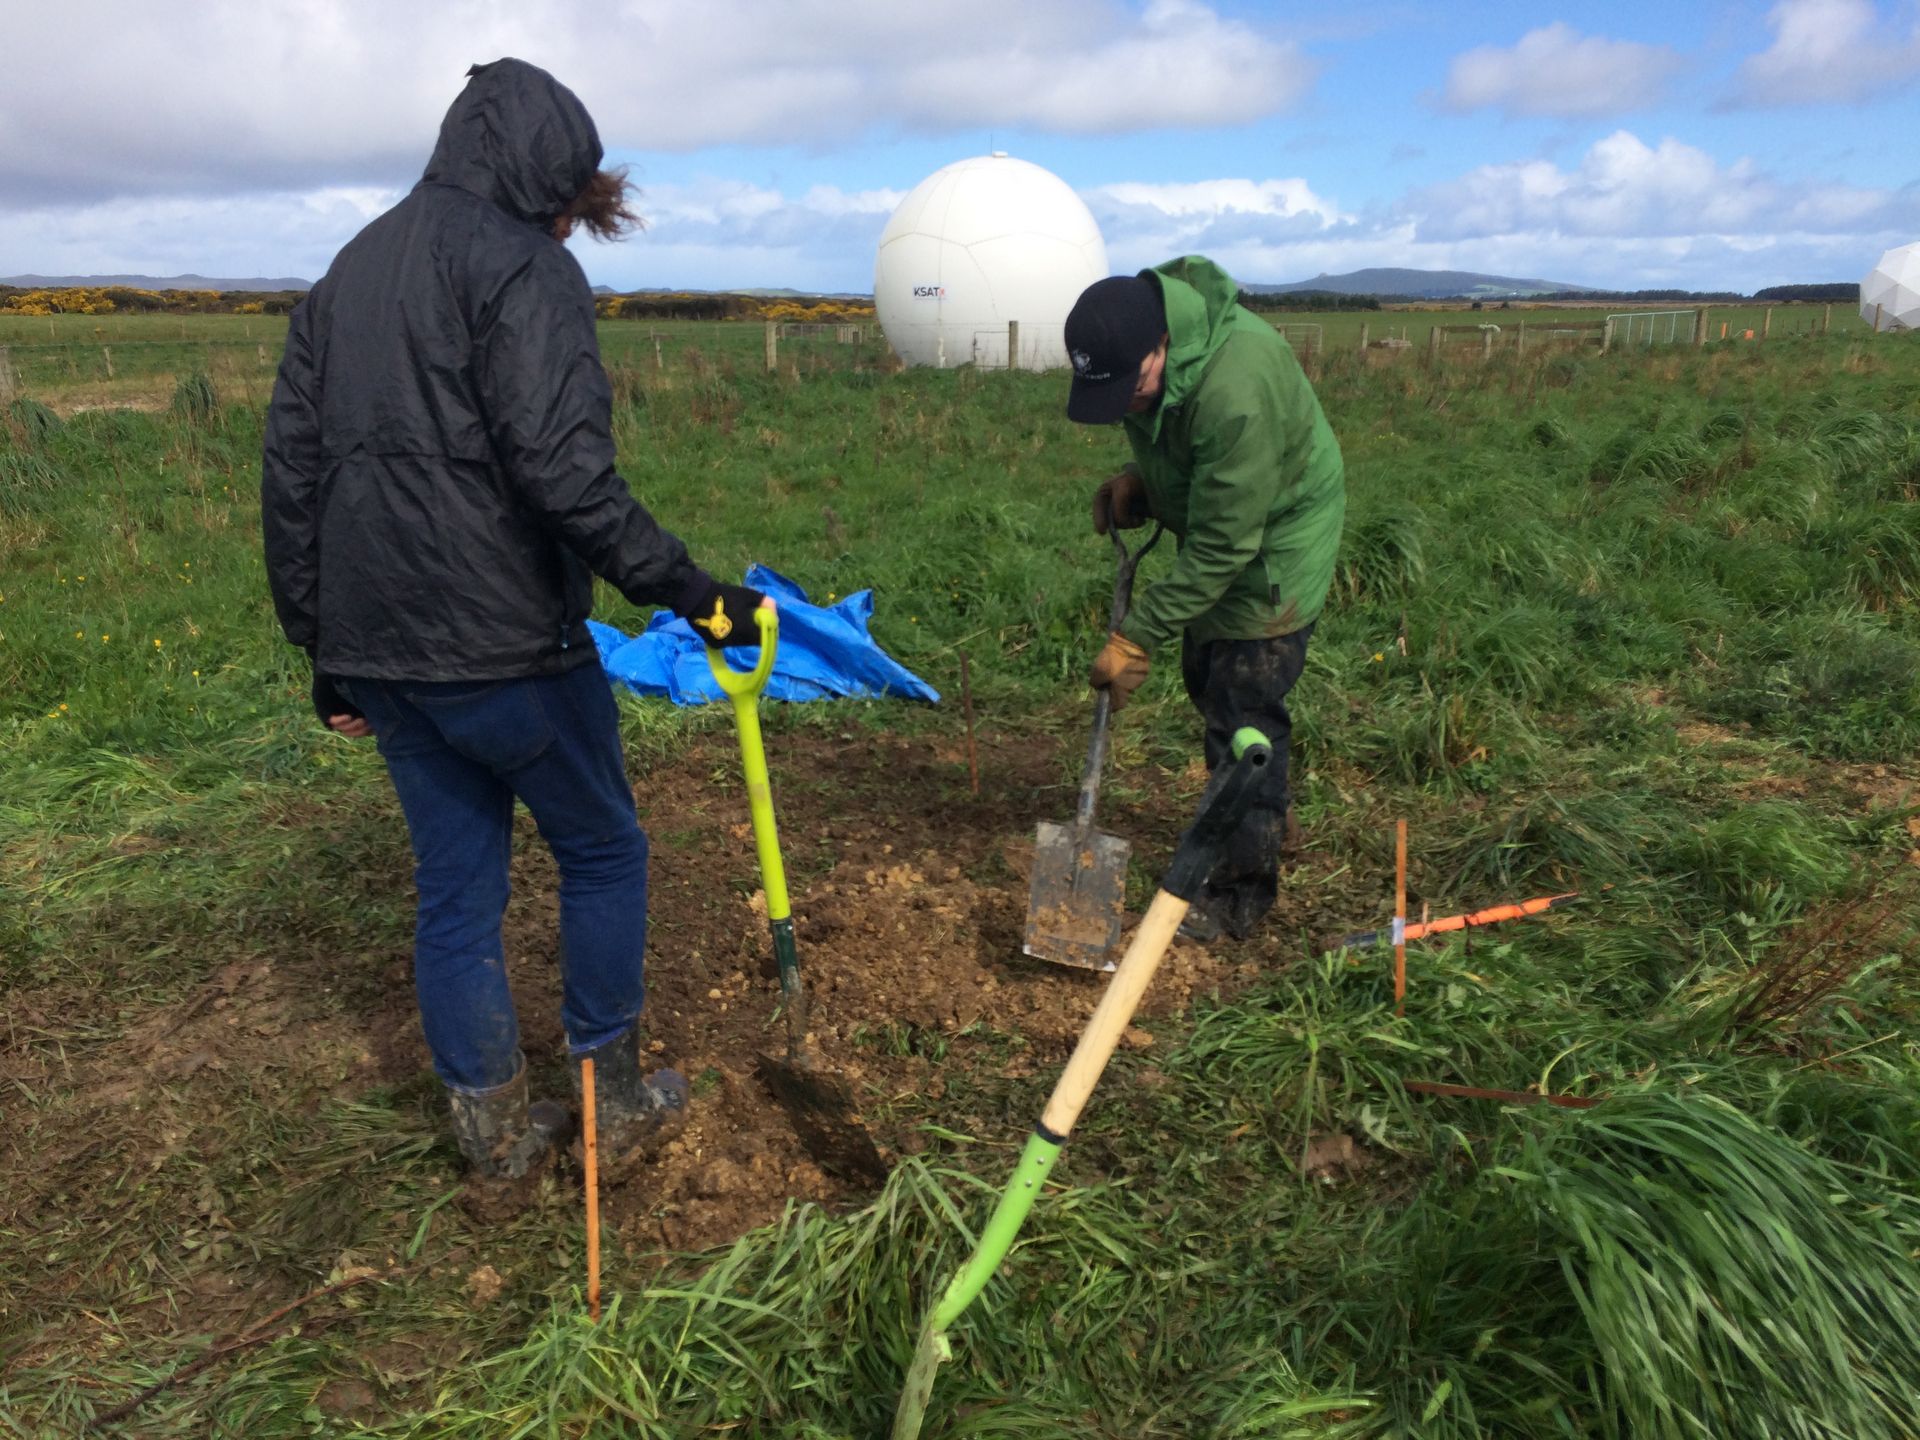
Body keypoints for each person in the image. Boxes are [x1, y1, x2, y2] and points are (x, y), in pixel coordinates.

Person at [262, 58, 765, 1196]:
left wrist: (323, 649)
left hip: (383, 654)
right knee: (601, 848)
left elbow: (291, 474)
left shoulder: (347, 271)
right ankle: (613, 1098)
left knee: (456, 889)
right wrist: (697, 595)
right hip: (507, 651)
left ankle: (490, 1132)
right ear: (555, 179)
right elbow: (566, 477)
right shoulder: (527, 272)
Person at [1064, 256, 1345, 942]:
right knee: (1210, 684)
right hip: (1226, 532)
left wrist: (1136, 634)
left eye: (1131, 391)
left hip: (1272, 552)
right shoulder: (1154, 367)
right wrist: (1145, 481)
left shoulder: (1236, 390)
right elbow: (1181, 448)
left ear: (1160, 348)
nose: (1127, 406)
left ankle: (1241, 893)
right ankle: (1260, 812)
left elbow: (1225, 544)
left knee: (1245, 716)